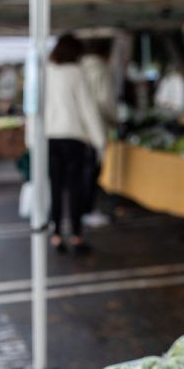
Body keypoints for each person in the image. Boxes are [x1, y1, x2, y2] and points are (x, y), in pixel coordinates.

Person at [45, 34, 106, 254]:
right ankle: (77, 235)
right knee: (75, 189)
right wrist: (100, 140)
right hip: (74, 138)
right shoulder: (77, 73)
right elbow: (87, 108)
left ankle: (56, 234)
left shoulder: (47, 72)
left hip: (50, 137)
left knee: (55, 188)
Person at [80, 38, 116, 228]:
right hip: (95, 129)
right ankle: (87, 209)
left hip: (77, 130)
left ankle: (82, 209)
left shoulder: (79, 68)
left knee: (81, 173)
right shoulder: (102, 70)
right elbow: (106, 102)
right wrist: (114, 120)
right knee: (91, 171)